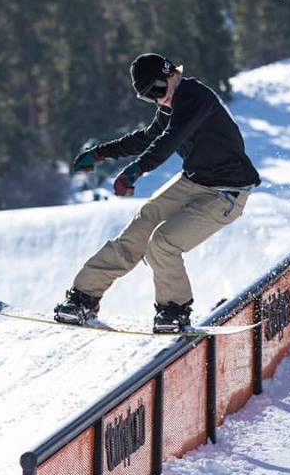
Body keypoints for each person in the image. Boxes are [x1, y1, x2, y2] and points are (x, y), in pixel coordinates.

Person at [56, 53, 261, 333]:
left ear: (171, 74)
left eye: (157, 90)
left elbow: (169, 140)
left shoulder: (194, 97)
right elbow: (148, 136)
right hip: (193, 182)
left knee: (163, 243)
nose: (157, 99)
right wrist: (100, 154)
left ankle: (174, 309)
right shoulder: (170, 104)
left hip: (226, 191)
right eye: (147, 97)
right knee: (137, 232)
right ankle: (84, 298)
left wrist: (135, 171)